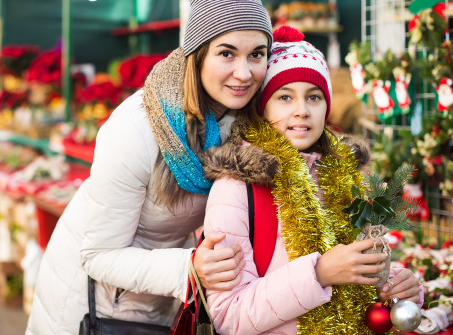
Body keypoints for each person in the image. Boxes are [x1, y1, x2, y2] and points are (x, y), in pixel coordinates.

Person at [25, 1, 273, 334]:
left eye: (256, 55)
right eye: (227, 53)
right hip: (90, 305)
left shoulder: (241, 121)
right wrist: (188, 266)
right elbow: (99, 256)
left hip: (159, 297)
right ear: (196, 54)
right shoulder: (139, 128)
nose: (244, 73)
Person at [201, 26, 425, 335]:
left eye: (314, 97)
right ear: (262, 108)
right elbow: (228, 318)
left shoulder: (345, 179)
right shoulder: (237, 187)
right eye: (285, 97)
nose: (302, 111)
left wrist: (399, 283)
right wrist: (318, 273)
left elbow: (363, 266)